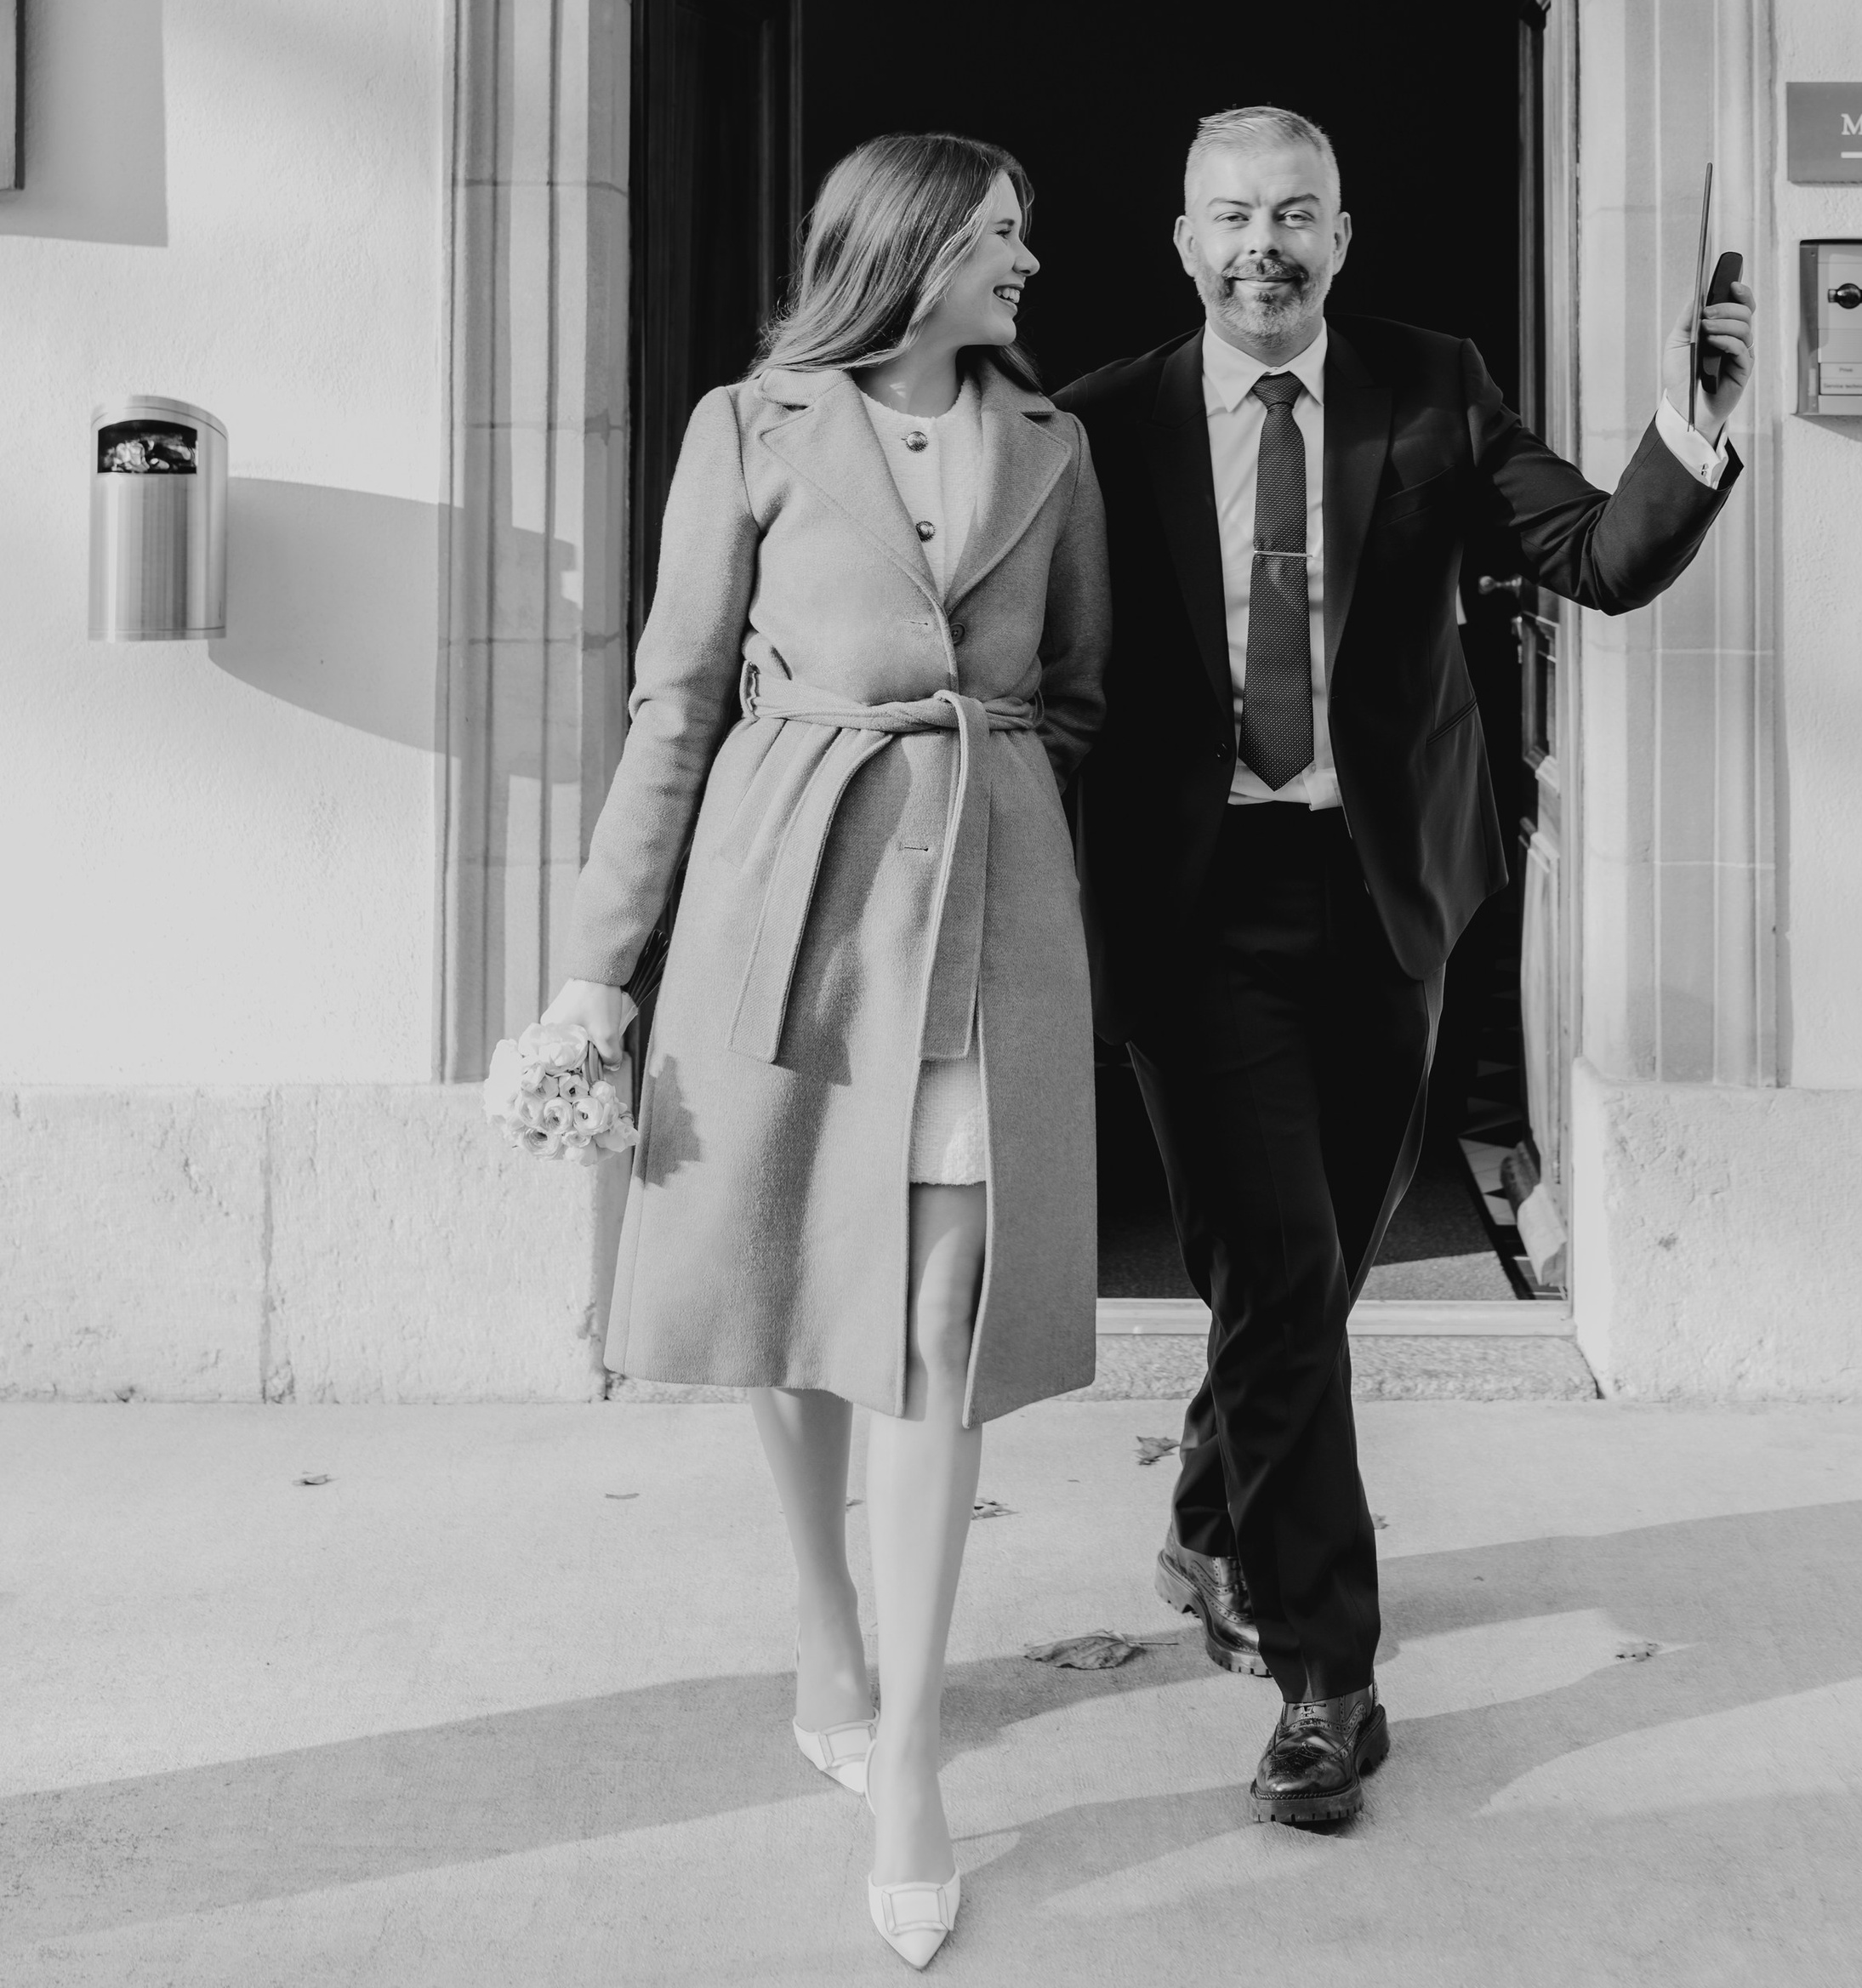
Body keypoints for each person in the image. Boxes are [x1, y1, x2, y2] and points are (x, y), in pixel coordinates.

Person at [1060, 104, 1752, 1831]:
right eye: (1230, 217)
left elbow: (1595, 558)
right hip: (1194, 905)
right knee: (1281, 1264)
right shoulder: (1094, 425)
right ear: (1180, 238)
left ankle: (1212, 1505)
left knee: (1328, 1253)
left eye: (1295, 214)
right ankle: (1326, 1680)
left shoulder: (1428, 384)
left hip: (1385, 894)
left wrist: (1695, 428)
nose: (1262, 247)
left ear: (1342, 236)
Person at [542, 133, 1108, 1969]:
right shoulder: (753, 425)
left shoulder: (1054, 444)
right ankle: (824, 1627)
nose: (1027, 260)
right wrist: (593, 975)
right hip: (781, 886)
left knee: (936, 1320)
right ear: (911, 249)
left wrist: (1005, 831)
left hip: (981, 913)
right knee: (778, 1277)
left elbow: (1075, 692)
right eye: (999, 234)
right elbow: (672, 698)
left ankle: (915, 1757)